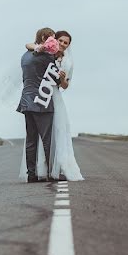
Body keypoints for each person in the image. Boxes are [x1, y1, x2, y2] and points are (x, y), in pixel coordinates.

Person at [20, 30, 84, 181]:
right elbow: (29, 46)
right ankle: (45, 170)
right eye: (60, 40)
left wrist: (62, 79)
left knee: (57, 133)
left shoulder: (67, 62)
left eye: (65, 43)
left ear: (68, 46)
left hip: (51, 96)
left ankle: (55, 167)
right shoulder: (45, 54)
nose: (62, 44)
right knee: (45, 137)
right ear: (54, 40)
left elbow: (65, 85)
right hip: (42, 98)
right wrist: (39, 47)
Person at [16, 27, 60, 182]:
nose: (54, 42)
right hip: (41, 103)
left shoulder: (24, 56)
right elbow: (56, 80)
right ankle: (51, 173)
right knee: (47, 139)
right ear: (44, 38)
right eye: (52, 38)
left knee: (31, 140)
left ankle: (31, 174)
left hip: (26, 101)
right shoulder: (46, 57)